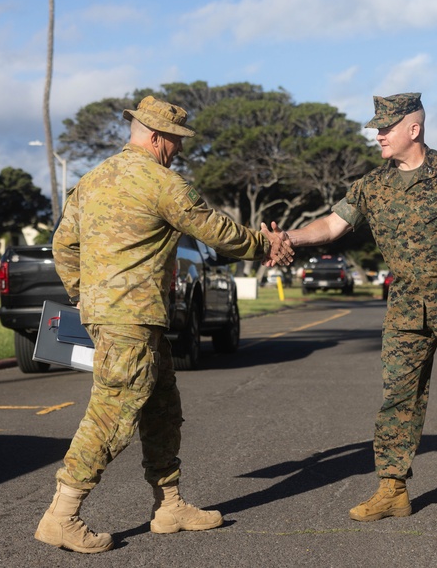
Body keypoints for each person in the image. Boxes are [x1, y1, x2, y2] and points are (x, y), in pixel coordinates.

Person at [35, 95, 294, 553]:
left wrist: (85, 295)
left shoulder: (91, 181)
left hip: (117, 315)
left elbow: (63, 245)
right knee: (112, 412)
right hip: (131, 318)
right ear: (154, 137)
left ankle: (169, 504)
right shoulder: (161, 182)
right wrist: (266, 243)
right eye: (174, 141)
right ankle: (62, 514)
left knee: (161, 408)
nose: (177, 150)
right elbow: (213, 228)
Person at [285, 92, 437, 521]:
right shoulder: (372, 186)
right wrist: (288, 238)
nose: (378, 136)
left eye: (385, 128)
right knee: (398, 399)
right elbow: (331, 225)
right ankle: (392, 489)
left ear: (413, 129)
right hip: (405, 307)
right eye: (377, 129)